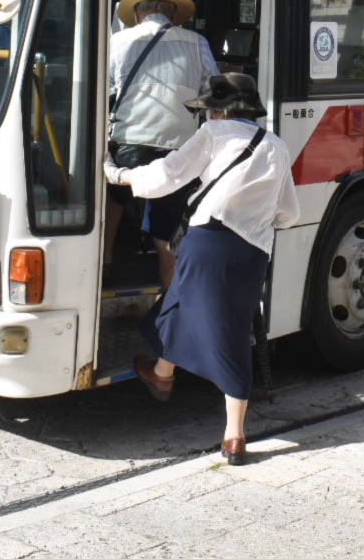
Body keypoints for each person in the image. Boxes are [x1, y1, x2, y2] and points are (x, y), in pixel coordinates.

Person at [105, 72, 298, 466]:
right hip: (253, 253)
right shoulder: (277, 147)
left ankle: (164, 375)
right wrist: (256, 220)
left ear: (220, 110)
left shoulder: (215, 134)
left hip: (209, 240)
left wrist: (121, 175)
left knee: (183, 306)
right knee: (226, 322)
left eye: (209, 109)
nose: (207, 116)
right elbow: (289, 213)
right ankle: (232, 433)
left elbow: (168, 174)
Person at [106, 0, 217, 289]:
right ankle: (170, 300)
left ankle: (106, 259)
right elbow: (213, 90)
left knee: (114, 198)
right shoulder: (197, 43)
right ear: (171, 12)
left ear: (140, 13)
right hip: (178, 150)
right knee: (165, 233)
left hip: (128, 144)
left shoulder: (119, 41)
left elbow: (107, 90)